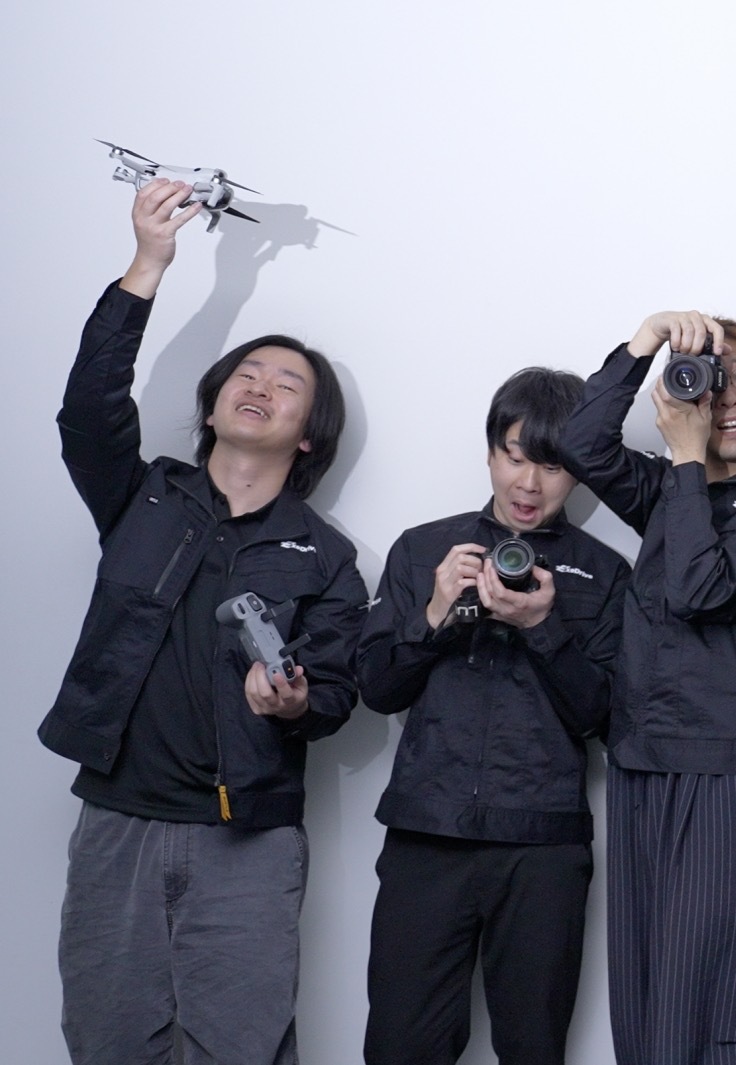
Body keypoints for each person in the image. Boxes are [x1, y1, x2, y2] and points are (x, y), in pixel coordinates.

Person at [43, 179, 366, 1064]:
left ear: (308, 434)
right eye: (246, 375)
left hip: (249, 835)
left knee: (243, 1047)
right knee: (106, 1040)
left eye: (287, 384)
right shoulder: (142, 496)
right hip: (118, 817)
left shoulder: (327, 556)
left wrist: (295, 702)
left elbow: (338, 691)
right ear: (216, 403)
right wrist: (149, 265)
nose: (260, 386)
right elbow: (86, 413)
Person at [558, 310, 736, 1065]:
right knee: (646, 1004)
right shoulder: (670, 489)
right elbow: (580, 443)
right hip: (640, 762)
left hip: (725, 772)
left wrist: (684, 458)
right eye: (712, 380)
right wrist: (642, 345)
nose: (727, 399)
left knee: (713, 1004)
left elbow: (701, 588)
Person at [355, 367, 630, 1065]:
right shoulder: (425, 549)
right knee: (399, 1047)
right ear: (489, 452)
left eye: (553, 465)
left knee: (533, 1047)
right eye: (515, 456)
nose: (529, 484)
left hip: (543, 845)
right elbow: (377, 689)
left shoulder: (604, 573)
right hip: (427, 833)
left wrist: (542, 627)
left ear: (579, 470)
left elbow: (606, 717)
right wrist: (434, 613)